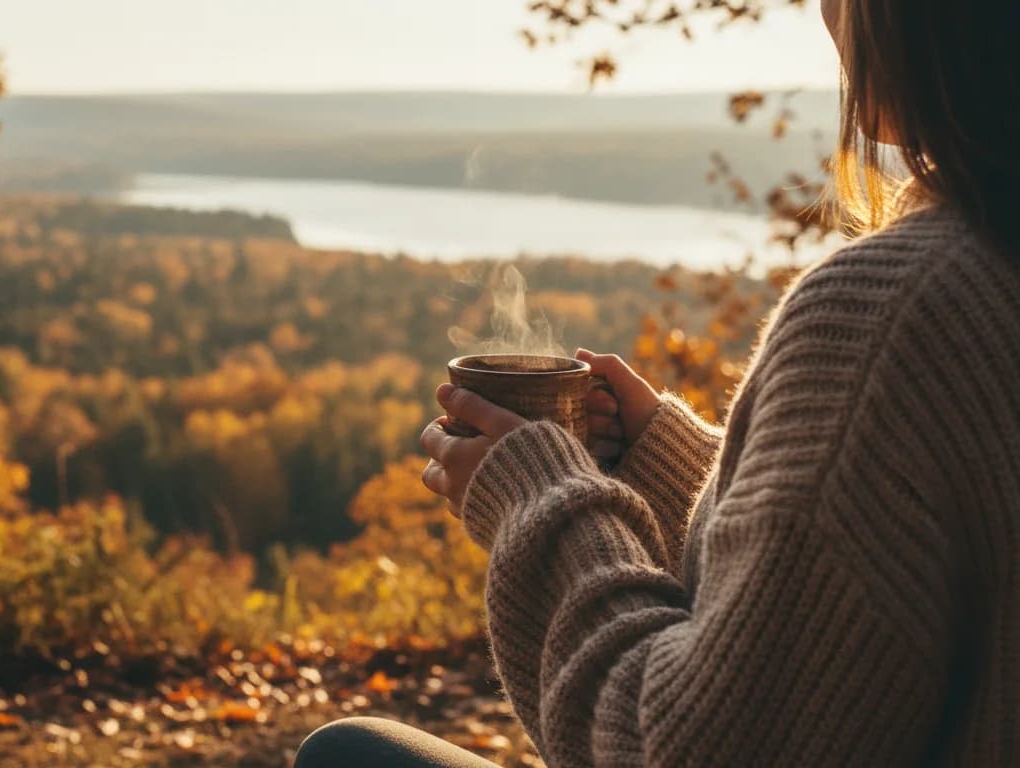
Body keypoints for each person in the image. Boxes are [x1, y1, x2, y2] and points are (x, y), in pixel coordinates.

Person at [295, 0, 1020, 765]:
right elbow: (867, 571)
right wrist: (666, 465)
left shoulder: (895, 312)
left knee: (350, 754)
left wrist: (543, 505)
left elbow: (676, 747)